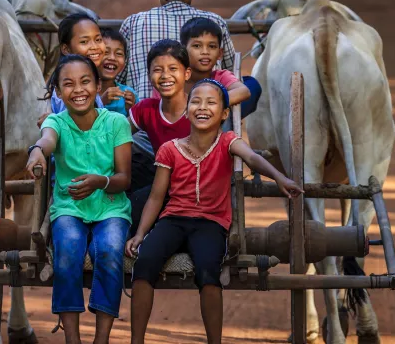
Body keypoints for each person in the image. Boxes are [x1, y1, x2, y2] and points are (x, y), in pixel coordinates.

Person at [126, 79, 303, 344]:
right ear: (186, 110)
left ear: (223, 114)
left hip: (210, 223)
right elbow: (156, 197)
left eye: (211, 103)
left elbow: (252, 157)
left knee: (208, 272)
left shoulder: (227, 142)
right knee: (145, 263)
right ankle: (136, 341)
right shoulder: (170, 149)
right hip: (172, 219)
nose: (202, 107)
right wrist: (140, 233)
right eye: (195, 101)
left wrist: (279, 177)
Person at [26, 55, 132, 344]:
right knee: (68, 251)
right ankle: (72, 338)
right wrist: (37, 150)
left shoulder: (116, 123)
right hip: (69, 207)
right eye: (68, 84)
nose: (79, 89)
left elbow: (124, 179)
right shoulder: (55, 121)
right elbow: (47, 139)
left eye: (86, 81)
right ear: (58, 93)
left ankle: (102, 339)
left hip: (111, 207)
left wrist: (101, 182)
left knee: (110, 252)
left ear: (98, 86)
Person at [127, 39, 249, 236]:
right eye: (157, 70)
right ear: (148, 75)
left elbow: (243, 92)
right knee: (129, 203)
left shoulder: (198, 111)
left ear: (186, 74)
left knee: (140, 206)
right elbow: (117, 136)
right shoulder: (146, 109)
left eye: (173, 69)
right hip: (165, 185)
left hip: (200, 191)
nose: (165, 76)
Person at [118, 0, 235, 100]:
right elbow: (230, 70)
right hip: (205, 114)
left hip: (143, 116)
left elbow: (118, 77)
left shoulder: (133, 23)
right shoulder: (215, 22)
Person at [180, 17, 262, 118]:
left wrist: (213, 103)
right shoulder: (178, 77)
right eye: (197, 46)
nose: (205, 52)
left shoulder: (221, 76)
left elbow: (244, 91)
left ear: (220, 54)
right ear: (183, 51)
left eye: (212, 46)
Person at [36, 12, 106, 127]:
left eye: (98, 39)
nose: (94, 47)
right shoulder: (69, 88)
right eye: (84, 42)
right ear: (66, 49)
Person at [99, 29, 139, 116]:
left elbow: (137, 126)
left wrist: (131, 110)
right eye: (106, 52)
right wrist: (100, 102)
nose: (112, 58)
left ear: (125, 62)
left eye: (119, 53)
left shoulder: (129, 93)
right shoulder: (86, 92)